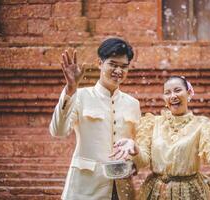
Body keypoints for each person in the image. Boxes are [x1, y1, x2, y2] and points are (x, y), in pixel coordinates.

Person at [111, 76, 210, 200]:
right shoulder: (152, 123)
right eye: (167, 92)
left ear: (189, 93)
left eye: (178, 90)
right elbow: (142, 161)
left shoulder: (203, 125)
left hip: (189, 192)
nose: (173, 95)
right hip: (155, 192)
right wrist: (134, 148)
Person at [49, 37, 141, 200]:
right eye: (113, 64)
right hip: (85, 189)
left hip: (121, 189)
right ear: (100, 63)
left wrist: (134, 157)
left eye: (124, 67)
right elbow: (58, 131)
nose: (118, 71)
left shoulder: (132, 104)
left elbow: (137, 146)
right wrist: (70, 89)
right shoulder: (81, 96)